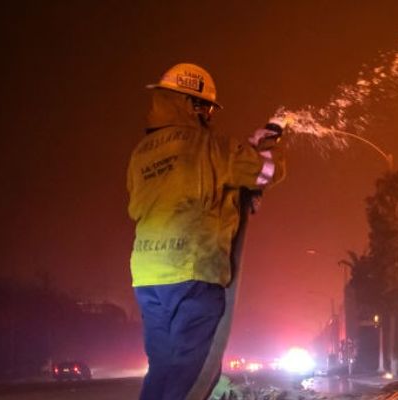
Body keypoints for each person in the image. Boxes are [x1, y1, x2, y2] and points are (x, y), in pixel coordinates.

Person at [128, 63, 285, 400]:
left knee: (162, 368)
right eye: (208, 108)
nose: (210, 116)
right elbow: (266, 172)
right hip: (193, 272)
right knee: (193, 375)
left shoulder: (141, 153)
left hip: (147, 276)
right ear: (192, 104)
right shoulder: (211, 146)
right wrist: (267, 142)